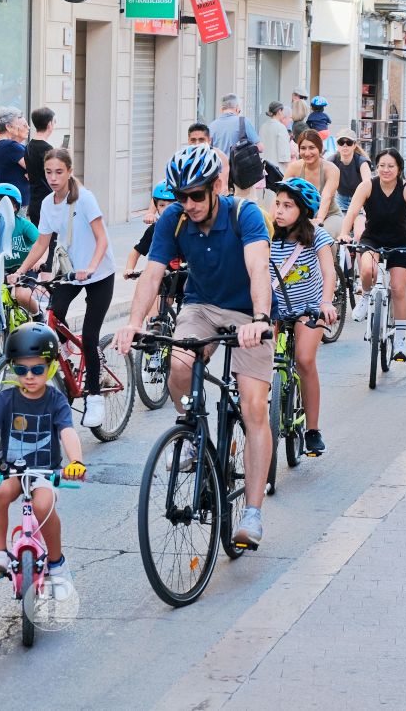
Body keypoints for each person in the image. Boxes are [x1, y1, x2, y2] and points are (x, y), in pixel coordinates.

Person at [114, 144, 275, 549]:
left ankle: (252, 513)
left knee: (254, 406)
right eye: (181, 196)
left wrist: (258, 319)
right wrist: (133, 323)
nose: (189, 204)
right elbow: (152, 275)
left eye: (196, 195)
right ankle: (193, 432)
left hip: (245, 312)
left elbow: (258, 267)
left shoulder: (244, 214)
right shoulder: (175, 218)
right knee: (179, 367)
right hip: (200, 306)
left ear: (216, 186)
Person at [8, 148, 116, 429]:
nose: (53, 178)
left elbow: (102, 239)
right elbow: (41, 243)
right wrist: (20, 271)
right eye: (48, 172)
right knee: (52, 316)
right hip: (69, 274)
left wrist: (91, 266)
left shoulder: (85, 199)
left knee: (91, 335)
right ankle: (69, 355)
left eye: (59, 172)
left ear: (69, 171)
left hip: (99, 274)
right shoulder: (46, 204)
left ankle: (94, 396)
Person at [0, 323, 85, 586]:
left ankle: (57, 562)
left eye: (37, 369)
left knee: (43, 505)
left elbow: (67, 432)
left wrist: (76, 462)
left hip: (46, 472)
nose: (30, 376)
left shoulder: (56, 400)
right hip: (12, 469)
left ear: (50, 367)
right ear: (13, 368)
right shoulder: (5, 399)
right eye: (21, 370)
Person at [267, 178, 338, 455]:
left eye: (288, 206)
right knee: (260, 362)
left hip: (309, 308)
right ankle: (258, 417)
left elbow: (329, 271)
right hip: (274, 309)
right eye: (277, 204)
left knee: (305, 360)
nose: (279, 211)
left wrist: (326, 301)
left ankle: (312, 429)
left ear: (303, 210)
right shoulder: (267, 233)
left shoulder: (316, 235)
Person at [340, 148, 406, 362]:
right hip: (373, 238)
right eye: (382, 166)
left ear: (399, 169)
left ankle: (400, 340)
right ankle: (367, 296)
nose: (386, 170)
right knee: (368, 269)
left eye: (391, 166)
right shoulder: (367, 186)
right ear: (376, 167)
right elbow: (352, 212)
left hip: (401, 241)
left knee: (398, 289)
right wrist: (344, 233)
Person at [129, 181, 186, 320]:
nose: (166, 209)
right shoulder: (155, 229)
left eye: (171, 205)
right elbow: (136, 251)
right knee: (153, 318)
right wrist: (129, 269)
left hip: (185, 278)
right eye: (161, 205)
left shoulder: (188, 227)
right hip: (162, 277)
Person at [0, 182, 40, 314]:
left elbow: (41, 244)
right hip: (0, 270)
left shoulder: (24, 225)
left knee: (22, 295)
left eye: (7, 202)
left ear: (16, 207)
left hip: (24, 268)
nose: (2, 206)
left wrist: (40, 261)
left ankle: (38, 315)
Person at [284, 130, 342, 240]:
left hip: (330, 215)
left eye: (312, 147)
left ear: (319, 148)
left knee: (321, 236)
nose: (307, 153)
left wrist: (319, 219)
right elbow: (281, 194)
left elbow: (327, 196)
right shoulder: (294, 168)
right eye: (303, 148)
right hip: (302, 217)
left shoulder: (331, 169)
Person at [208, 94, 264, 197]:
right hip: (243, 179)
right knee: (244, 209)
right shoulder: (243, 122)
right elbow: (260, 147)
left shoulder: (211, 126)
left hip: (221, 179)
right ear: (237, 108)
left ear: (222, 109)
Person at [0, 107, 30, 208]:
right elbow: (34, 167)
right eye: (17, 125)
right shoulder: (10, 146)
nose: (18, 128)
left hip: (6, 200)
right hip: (15, 202)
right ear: (8, 127)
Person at [328, 128, 372, 216]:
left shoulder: (362, 162)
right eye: (341, 142)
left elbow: (368, 184)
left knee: (359, 227)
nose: (345, 145)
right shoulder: (331, 161)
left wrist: (365, 206)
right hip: (339, 201)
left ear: (354, 145)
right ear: (337, 145)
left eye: (349, 142)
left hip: (360, 201)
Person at [25, 107, 56, 226]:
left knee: (40, 241)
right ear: (49, 124)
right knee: (52, 242)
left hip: (34, 201)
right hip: (48, 201)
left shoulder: (28, 146)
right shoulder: (47, 149)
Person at [185, 123, 230, 193]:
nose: (197, 144)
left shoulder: (220, 157)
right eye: (193, 140)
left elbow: (222, 188)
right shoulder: (183, 158)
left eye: (201, 140)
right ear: (188, 141)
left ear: (209, 140)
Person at [260, 102, 293, 177]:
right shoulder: (281, 128)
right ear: (279, 111)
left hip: (264, 169)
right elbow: (284, 154)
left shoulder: (263, 126)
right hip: (277, 170)